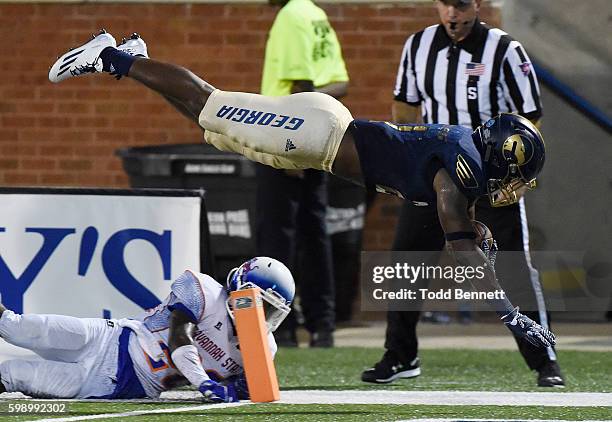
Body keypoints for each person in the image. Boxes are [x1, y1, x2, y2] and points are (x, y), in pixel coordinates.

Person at [48, 31, 556, 358]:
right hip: (316, 134)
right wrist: (512, 314)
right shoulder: (463, 167)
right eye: (514, 172)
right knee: (211, 104)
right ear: (496, 153)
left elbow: (458, 219)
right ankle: (112, 56)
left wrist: (475, 230)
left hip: (317, 147)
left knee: (215, 128)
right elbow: (460, 243)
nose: (511, 186)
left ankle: (139, 58)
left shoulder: (463, 159)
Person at [360, 0, 564, 388]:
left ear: (477, 4)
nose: (453, 14)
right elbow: (404, 108)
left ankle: (544, 359)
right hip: (435, 173)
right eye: (446, 5)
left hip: (491, 178)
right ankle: (401, 356)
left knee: (513, 267)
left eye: (461, 5)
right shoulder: (418, 45)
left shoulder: (505, 49)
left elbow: (530, 122)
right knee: (407, 264)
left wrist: (516, 182)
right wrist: (409, 161)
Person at [0, 256, 295, 400]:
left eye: (271, 310)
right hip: (112, 336)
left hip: (121, 382)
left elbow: (247, 395)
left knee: (16, 375)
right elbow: (180, 342)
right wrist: (205, 384)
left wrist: (238, 392)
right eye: (261, 304)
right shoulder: (204, 290)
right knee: (16, 326)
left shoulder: (263, 347)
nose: (262, 315)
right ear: (238, 291)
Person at [256, 0, 350, 348]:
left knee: (277, 237)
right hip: (318, 139)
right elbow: (339, 83)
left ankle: (281, 324)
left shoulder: (291, 16)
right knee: (315, 233)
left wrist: (292, 148)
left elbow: (301, 87)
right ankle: (322, 324)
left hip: (285, 140)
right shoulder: (316, 15)